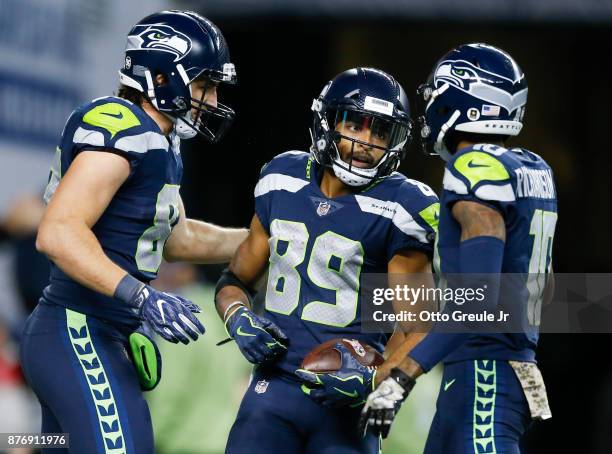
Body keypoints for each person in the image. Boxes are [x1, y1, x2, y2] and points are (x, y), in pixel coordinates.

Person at [20, 10, 247, 453]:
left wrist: (262, 240)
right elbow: (57, 232)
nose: (214, 100)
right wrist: (140, 296)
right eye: (205, 84)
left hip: (96, 334)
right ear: (162, 77)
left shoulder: (158, 142)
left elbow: (177, 238)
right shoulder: (120, 127)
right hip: (78, 328)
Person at [214, 67, 440, 453]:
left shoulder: (403, 208)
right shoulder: (281, 179)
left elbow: (421, 328)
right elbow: (234, 280)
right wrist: (238, 318)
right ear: (328, 120)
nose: (367, 141)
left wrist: (374, 380)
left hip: (348, 403)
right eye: (356, 124)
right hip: (273, 392)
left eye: (381, 131)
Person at [360, 43, 557, 454]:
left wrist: (402, 376)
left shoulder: (475, 167)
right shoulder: (533, 168)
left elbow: (480, 299)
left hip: (485, 372)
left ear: (463, 98)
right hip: (489, 367)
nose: (430, 102)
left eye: (437, 90)